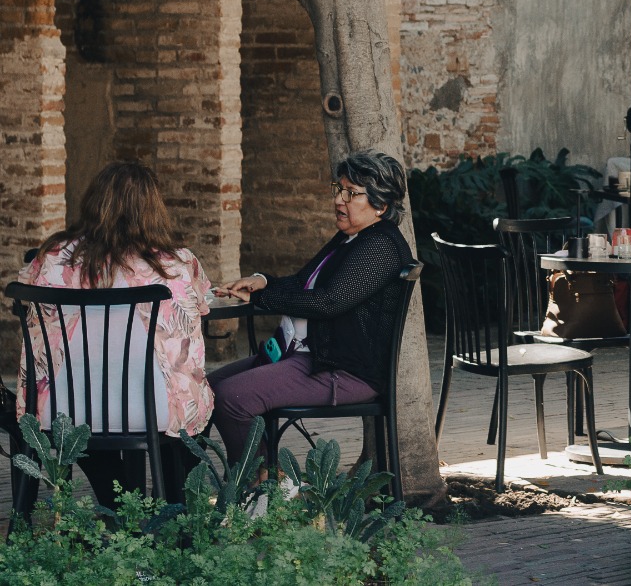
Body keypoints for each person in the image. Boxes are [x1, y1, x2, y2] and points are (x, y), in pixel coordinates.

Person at [19, 161, 213, 509]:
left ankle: (124, 507)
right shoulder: (176, 264)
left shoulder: (50, 259)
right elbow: (199, 311)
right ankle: (178, 514)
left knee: (89, 411)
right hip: (153, 410)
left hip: (63, 408)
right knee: (196, 407)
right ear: (152, 209)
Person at [207, 149, 413, 463]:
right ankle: (195, 484)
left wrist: (263, 299)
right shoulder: (351, 237)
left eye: (351, 194)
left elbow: (329, 302)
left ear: (380, 206)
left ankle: (262, 485)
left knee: (232, 397)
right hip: (310, 354)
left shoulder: (380, 247)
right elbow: (305, 281)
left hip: (342, 370)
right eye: (338, 190)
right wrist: (264, 281)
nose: (338, 200)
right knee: (206, 389)